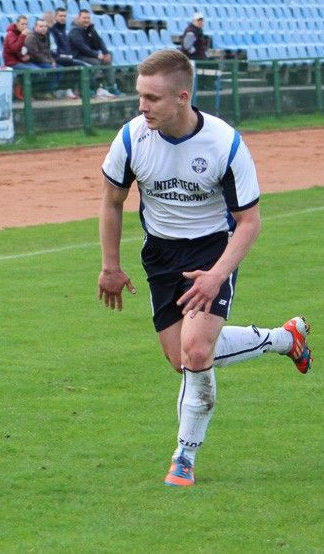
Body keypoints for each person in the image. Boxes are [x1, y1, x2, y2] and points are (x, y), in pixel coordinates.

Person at [98, 48, 312, 488]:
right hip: (160, 255)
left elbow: (249, 222)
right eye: (139, 96)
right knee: (182, 360)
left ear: (182, 96)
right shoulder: (130, 138)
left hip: (212, 251)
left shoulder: (224, 144)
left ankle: (184, 457)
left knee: (197, 351)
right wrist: (110, 266)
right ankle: (282, 338)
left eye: (152, 98)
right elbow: (112, 202)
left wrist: (217, 274)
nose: (142, 107)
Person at [69, 9, 118, 97]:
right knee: (96, 62)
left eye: (88, 18)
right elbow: (82, 47)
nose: (86, 20)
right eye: (84, 18)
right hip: (78, 56)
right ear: (79, 18)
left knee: (107, 59)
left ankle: (111, 86)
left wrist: (105, 53)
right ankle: (89, 88)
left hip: (88, 55)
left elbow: (99, 41)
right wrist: (96, 54)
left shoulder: (90, 29)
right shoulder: (74, 31)